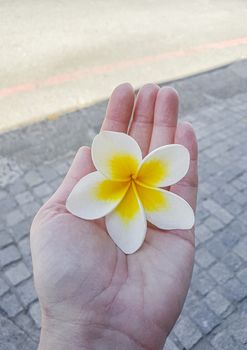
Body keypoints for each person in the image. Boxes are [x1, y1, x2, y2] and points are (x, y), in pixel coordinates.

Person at [31, 83, 198, 350]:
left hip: (139, 188)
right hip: (129, 188)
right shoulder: (100, 187)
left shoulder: (148, 181)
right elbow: (87, 193)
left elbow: (177, 163)